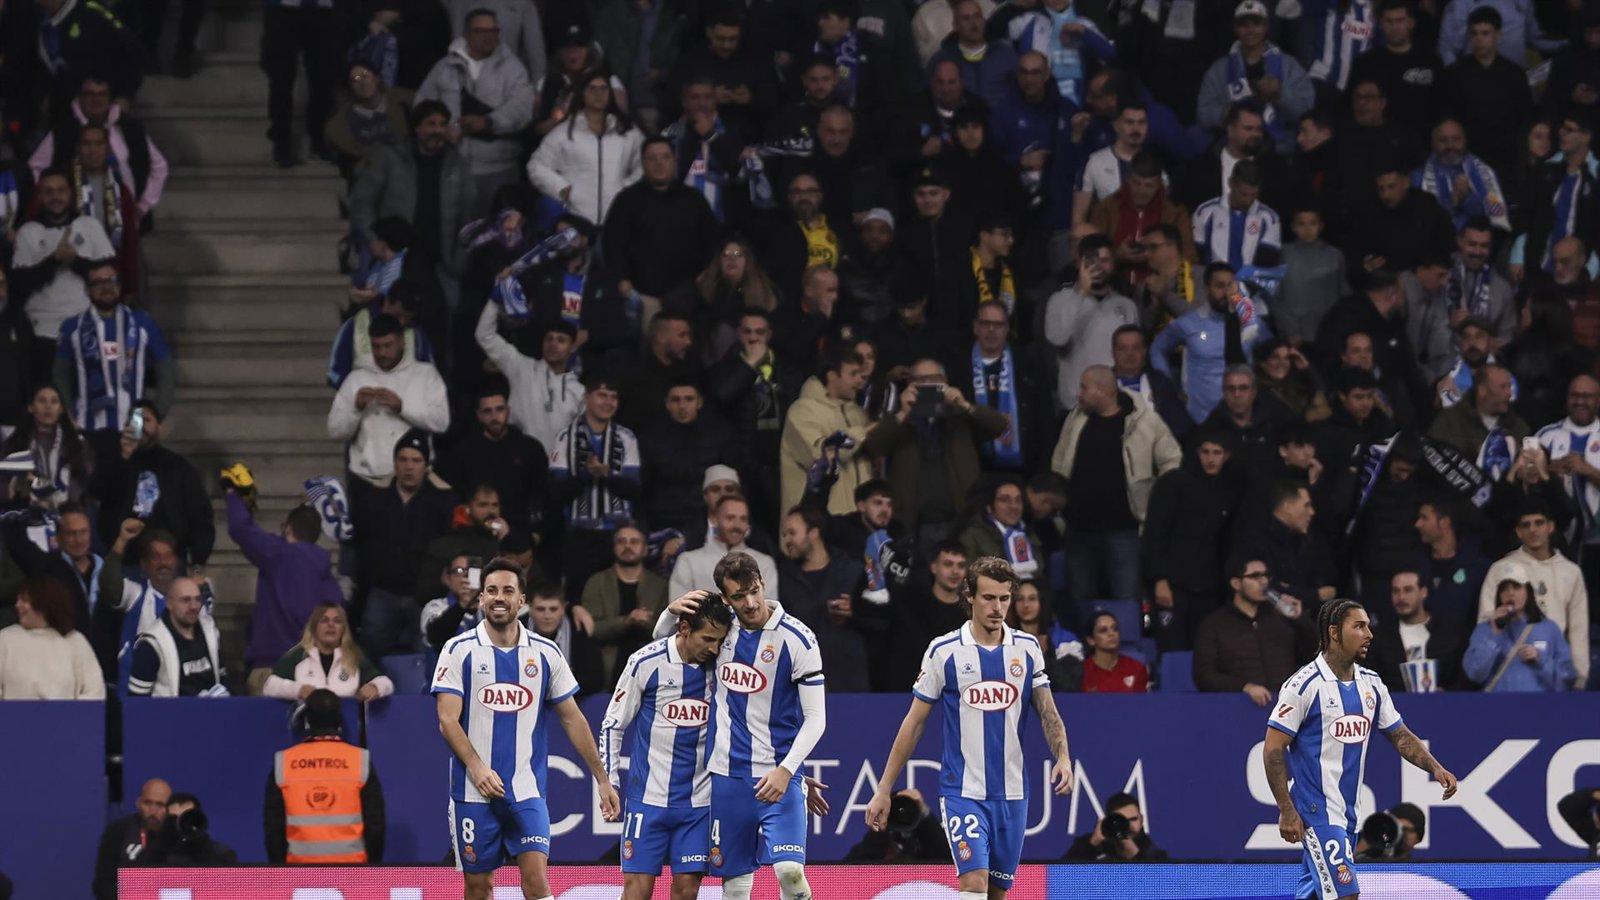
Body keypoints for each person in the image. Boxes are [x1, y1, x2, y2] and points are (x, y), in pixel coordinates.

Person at [864, 556, 1073, 897]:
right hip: (962, 791)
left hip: (1013, 794)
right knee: (973, 885)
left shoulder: (1027, 648)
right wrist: (884, 788)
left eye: (1005, 598)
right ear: (970, 596)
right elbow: (914, 722)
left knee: (996, 893)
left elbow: (1048, 712)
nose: (998, 607)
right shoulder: (944, 651)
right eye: (989, 597)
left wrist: (1062, 756)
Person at [432, 559, 620, 900]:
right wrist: (476, 766)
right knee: (478, 887)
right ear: (481, 599)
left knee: (536, 883)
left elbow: (572, 718)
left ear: (522, 601)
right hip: (473, 792)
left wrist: (602, 778)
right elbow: (447, 719)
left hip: (527, 791)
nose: (498, 597)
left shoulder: (546, 653)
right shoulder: (458, 650)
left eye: (507, 590)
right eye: (491, 591)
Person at [652, 553, 827, 900]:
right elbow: (664, 645)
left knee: (791, 874)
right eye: (737, 596)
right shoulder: (721, 627)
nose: (749, 603)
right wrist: (669, 614)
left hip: (778, 777)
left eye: (753, 591)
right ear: (724, 596)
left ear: (762, 583)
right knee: (734, 886)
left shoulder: (798, 639)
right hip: (727, 777)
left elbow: (817, 718)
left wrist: (787, 771)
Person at [1263, 599, 1459, 900]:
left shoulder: (1372, 684)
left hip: (1348, 813)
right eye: (1359, 626)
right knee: (1347, 895)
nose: (1369, 634)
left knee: (1315, 894)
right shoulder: (1303, 685)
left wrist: (1435, 767)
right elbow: (1274, 749)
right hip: (1316, 811)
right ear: (1334, 632)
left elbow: (1400, 735)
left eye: (1368, 626)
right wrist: (1286, 810)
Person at [599, 593, 734, 900]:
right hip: (647, 801)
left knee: (687, 891)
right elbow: (613, 724)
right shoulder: (645, 662)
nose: (714, 648)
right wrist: (607, 779)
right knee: (637, 892)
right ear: (684, 629)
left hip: (698, 803)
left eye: (719, 641)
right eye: (708, 639)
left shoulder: (722, 664)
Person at [1051, 365, 1182, 611]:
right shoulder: (1076, 417)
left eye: (1084, 387)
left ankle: (1128, 650)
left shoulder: (1144, 420)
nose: (1078, 393)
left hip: (1124, 531)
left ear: (1101, 390)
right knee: (1080, 603)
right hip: (1078, 530)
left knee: (1127, 602)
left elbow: (1172, 461)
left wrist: (1155, 500)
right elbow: (1059, 463)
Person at [226, 485, 344, 689]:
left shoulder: (277, 553)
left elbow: (241, 529)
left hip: (270, 668)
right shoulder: (325, 573)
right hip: (311, 673)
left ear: (288, 528)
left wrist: (232, 494)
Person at [9, 168, 114, 380]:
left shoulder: (90, 226)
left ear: (71, 194)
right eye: (48, 191)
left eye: (61, 190)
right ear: (39, 196)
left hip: (86, 328)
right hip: (41, 330)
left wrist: (74, 260)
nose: (55, 196)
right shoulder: (29, 231)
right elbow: (20, 285)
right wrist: (54, 260)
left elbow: (108, 280)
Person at [348, 101, 476, 269]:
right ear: (417, 128)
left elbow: (468, 215)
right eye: (431, 124)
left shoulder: (458, 164)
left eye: (443, 125)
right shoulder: (388, 158)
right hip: (394, 257)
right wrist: (373, 240)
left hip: (441, 262)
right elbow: (362, 201)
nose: (437, 131)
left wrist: (459, 258)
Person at [1142, 432, 1241, 649]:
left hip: (1209, 591)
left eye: (1217, 453)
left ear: (1226, 456)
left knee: (1205, 651)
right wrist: (1159, 579)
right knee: (1172, 650)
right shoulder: (1172, 483)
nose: (1211, 459)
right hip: (1173, 586)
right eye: (1205, 452)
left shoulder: (1229, 492)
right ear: (1196, 453)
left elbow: (1228, 543)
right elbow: (1155, 533)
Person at [263, 688, 386, 863]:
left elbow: (273, 828)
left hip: (298, 871)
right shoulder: (359, 760)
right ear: (338, 720)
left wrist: (280, 872)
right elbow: (375, 825)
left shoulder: (284, 762)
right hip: (353, 870)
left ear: (307, 720)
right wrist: (372, 867)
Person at [327, 314, 450, 485]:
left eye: (387, 345)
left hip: (416, 479)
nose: (382, 353)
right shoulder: (356, 379)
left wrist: (402, 407)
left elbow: (441, 422)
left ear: (402, 342)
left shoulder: (426, 374)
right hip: (367, 478)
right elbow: (335, 431)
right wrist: (356, 408)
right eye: (376, 347)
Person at [549, 374, 643, 599]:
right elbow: (555, 494)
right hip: (577, 535)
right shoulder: (564, 438)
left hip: (616, 535)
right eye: (602, 395)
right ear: (586, 397)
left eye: (613, 397)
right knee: (578, 598)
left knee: (613, 598)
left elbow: (633, 490)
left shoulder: (626, 438)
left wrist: (607, 475)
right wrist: (585, 475)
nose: (608, 402)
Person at [1477, 503, 1590, 688]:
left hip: (1553, 668)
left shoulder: (1571, 572)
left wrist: (1580, 677)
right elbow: (1485, 621)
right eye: (1526, 525)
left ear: (1550, 527)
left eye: (1539, 523)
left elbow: (1579, 629)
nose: (1533, 530)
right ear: (1518, 532)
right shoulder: (1500, 569)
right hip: (1510, 668)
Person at [29, 75, 169, 224]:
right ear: (80, 97)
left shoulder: (130, 128)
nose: (96, 100)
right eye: (90, 94)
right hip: (74, 222)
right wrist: (50, 201)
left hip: (127, 219)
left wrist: (142, 206)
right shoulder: (63, 132)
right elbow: (34, 169)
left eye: (102, 94)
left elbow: (159, 166)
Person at [89, 402, 214, 569]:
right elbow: (96, 492)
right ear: (126, 426)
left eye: (146, 420)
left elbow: (200, 514)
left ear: (159, 427)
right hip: (126, 560)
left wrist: (198, 560)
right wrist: (123, 456)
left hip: (170, 561)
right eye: (135, 421)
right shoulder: (114, 463)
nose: (141, 426)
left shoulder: (178, 466)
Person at [603, 137, 720, 305]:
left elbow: (711, 240)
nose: (659, 163)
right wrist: (622, 279)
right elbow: (613, 244)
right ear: (643, 163)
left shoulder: (694, 199)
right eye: (652, 158)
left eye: (665, 157)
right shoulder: (626, 200)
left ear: (674, 160)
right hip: (639, 295)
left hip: (688, 293)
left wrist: (706, 275)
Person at [779, 347, 893, 518]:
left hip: (857, 525)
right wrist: (865, 431)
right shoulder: (801, 411)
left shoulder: (857, 413)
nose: (860, 381)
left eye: (861, 375)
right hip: (814, 527)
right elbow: (825, 454)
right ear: (832, 375)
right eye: (853, 374)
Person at [1151, 264, 1272, 423]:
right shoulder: (1189, 323)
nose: (1227, 292)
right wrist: (1167, 388)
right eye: (1219, 286)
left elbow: (1272, 352)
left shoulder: (1252, 323)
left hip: (1243, 417)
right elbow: (1157, 349)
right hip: (1201, 419)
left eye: (1230, 285)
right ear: (1207, 289)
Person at [434, 377, 550, 541]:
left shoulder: (529, 448)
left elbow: (542, 493)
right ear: (479, 415)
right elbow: (457, 495)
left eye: (499, 409)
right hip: (475, 535)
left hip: (520, 534)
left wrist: (537, 532)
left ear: (507, 411)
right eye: (487, 411)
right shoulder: (464, 451)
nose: (495, 416)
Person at [1194, 556, 1317, 704]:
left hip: (1288, 707)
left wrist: (1300, 619)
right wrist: (1244, 687)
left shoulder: (1281, 618)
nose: (1264, 581)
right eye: (1255, 576)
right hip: (1239, 706)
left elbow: (1318, 656)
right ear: (1236, 583)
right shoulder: (1214, 624)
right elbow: (1205, 676)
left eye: (1266, 575)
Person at [778, 505, 874, 692]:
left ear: (813, 533)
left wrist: (855, 613)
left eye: (792, 533)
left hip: (849, 680)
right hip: (803, 680)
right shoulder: (784, 577)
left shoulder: (853, 571)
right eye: (784, 535)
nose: (787, 540)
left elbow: (879, 622)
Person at [527, 74, 644, 225]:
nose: (598, 93)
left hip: (619, 220)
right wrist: (562, 188)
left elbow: (645, 163)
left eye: (603, 88)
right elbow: (536, 166)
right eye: (592, 88)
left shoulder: (627, 131)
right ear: (582, 93)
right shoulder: (564, 132)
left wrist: (627, 189)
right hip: (578, 222)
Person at [1043, 235, 1141, 410]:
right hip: (1074, 405)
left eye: (1105, 260)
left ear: (1113, 264)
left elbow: (1134, 354)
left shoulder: (1126, 305)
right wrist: (1082, 293)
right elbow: (1058, 339)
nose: (1098, 267)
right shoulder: (1059, 300)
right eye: (1091, 261)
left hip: (1115, 404)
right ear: (1078, 263)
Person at [1196, 1, 1314, 145]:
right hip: (1233, 146)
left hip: (1278, 147)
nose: (1250, 30)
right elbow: (1203, 113)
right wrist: (1230, 113)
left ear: (1266, 27)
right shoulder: (1219, 69)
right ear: (1235, 28)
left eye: (1256, 24)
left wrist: (1280, 93)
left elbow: (1306, 109)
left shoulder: (1288, 65)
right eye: (1243, 25)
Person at [1440, 6, 1535, 177]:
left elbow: (1525, 116)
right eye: (1474, 33)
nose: (1479, 39)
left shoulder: (1514, 74)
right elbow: (1449, 115)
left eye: (1485, 33)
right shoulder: (1455, 74)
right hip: (1468, 154)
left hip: (1507, 156)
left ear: (1498, 34)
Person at [581, 524, 668, 682]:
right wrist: (627, 621)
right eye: (622, 541)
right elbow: (592, 630)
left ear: (645, 549)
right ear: (614, 547)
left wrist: (646, 622)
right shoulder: (597, 582)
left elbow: (668, 634)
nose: (627, 546)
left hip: (650, 671)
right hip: (605, 672)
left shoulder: (660, 585)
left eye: (634, 541)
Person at [0, 577, 105, 699]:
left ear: (43, 603)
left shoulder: (75, 641)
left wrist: (71, 716)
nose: (17, 605)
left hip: (67, 717)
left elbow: (94, 691)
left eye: (24, 600)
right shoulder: (6, 639)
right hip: (14, 718)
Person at [262, 605, 394, 701]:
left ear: (343, 629)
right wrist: (297, 689)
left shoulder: (354, 657)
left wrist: (375, 687)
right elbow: (270, 686)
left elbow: (386, 682)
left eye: (337, 621)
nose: (331, 625)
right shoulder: (297, 656)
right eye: (324, 620)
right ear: (314, 627)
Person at [1368, 570, 1466, 693]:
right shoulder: (1379, 637)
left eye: (1408, 590)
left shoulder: (1448, 633)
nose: (1401, 597)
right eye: (1396, 591)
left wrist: (1446, 693)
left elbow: (1462, 678)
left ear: (1423, 592)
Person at [127, 577, 225, 697]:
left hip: (213, 712)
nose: (194, 606)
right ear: (169, 603)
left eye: (198, 599)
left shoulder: (211, 633)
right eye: (186, 600)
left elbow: (222, 679)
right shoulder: (151, 644)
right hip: (170, 714)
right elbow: (137, 702)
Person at [670, 495, 780, 599]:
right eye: (730, 518)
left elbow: (768, 610)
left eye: (743, 519)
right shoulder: (688, 561)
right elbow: (680, 611)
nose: (737, 525)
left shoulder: (764, 563)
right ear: (715, 520)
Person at [1192, 160, 1283, 269]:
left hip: (1250, 284)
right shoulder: (1205, 212)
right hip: (1213, 282)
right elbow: (1196, 255)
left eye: (1253, 195)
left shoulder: (1270, 218)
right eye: (1244, 194)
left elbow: (1267, 264)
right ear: (1230, 184)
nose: (1248, 201)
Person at [92, 778, 170, 900]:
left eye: (160, 805)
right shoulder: (118, 831)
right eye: (148, 803)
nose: (153, 811)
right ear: (138, 803)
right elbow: (103, 883)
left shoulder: (177, 835)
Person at [1063, 791, 1167, 860]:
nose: (1129, 826)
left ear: (1141, 820)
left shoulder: (1154, 855)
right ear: (1110, 820)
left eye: (1133, 819)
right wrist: (1092, 845)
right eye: (1122, 820)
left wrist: (1136, 857)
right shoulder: (1089, 845)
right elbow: (1060, 879)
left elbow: (1160, 889)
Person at [1079, 611, 1149, 693]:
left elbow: (1142, 704)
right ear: (1091, 640)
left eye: (1115, 629)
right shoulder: (1081, 672)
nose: (1111, 634)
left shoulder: (1136, 668)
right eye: (1103, 630)